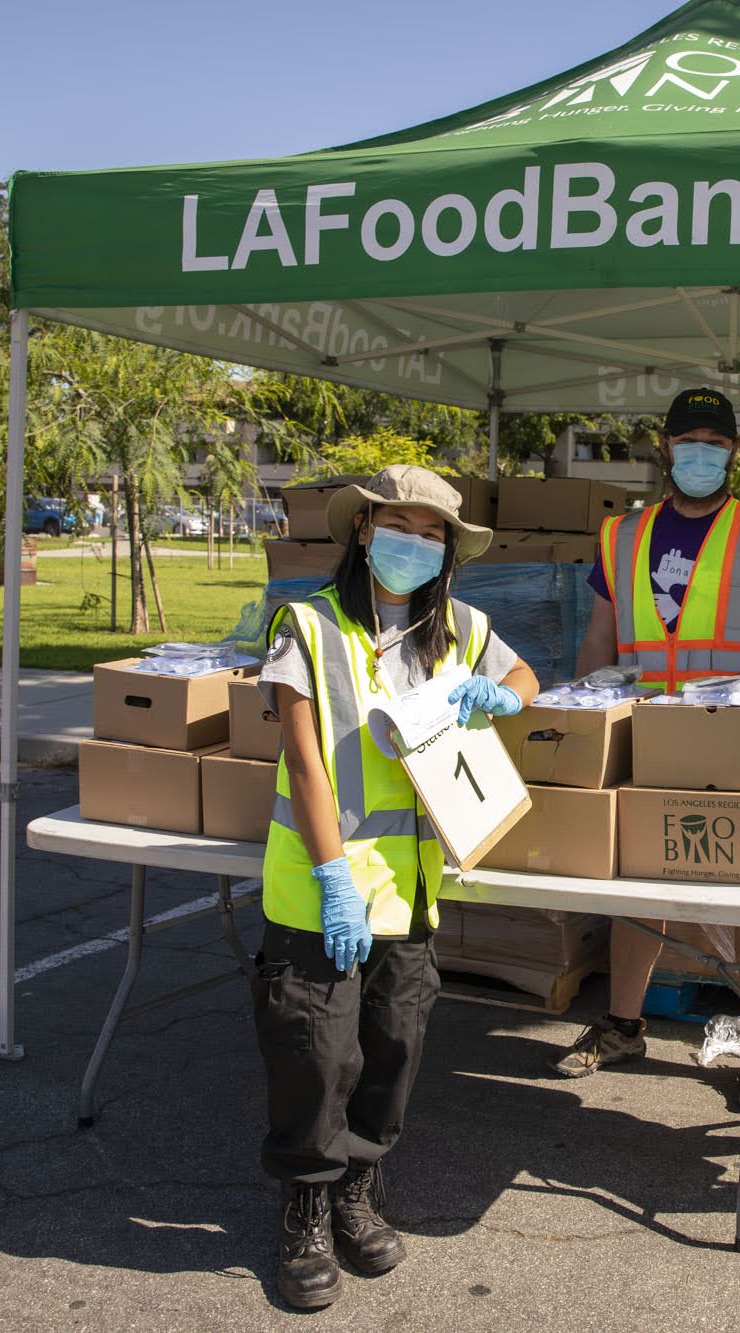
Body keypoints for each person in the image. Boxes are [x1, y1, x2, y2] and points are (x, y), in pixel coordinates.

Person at [253, 464, 540, 1310]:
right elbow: (305, 760)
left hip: (410, 897)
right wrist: (334, 875)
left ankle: (357, 1188)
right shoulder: (304, 625)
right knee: (315, 1055)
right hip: (321, 891)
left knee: (393, 1051)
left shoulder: (460, 628)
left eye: (432, 532)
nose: (414, 543)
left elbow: (526, 679)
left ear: (447, 549)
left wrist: (504, 696)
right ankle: (305, 1206)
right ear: (364, 531)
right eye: (399, 526)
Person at [553, 386, 740, 1109]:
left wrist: (730, 724)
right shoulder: (623, 534)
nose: (701, 451)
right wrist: (585, 722)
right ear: (664, 446)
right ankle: (623, 1022)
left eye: (716, 441)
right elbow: (601, 638)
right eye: (688, 438)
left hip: (728, 735)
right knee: (637, 881)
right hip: (638, 730)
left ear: (734, 452)